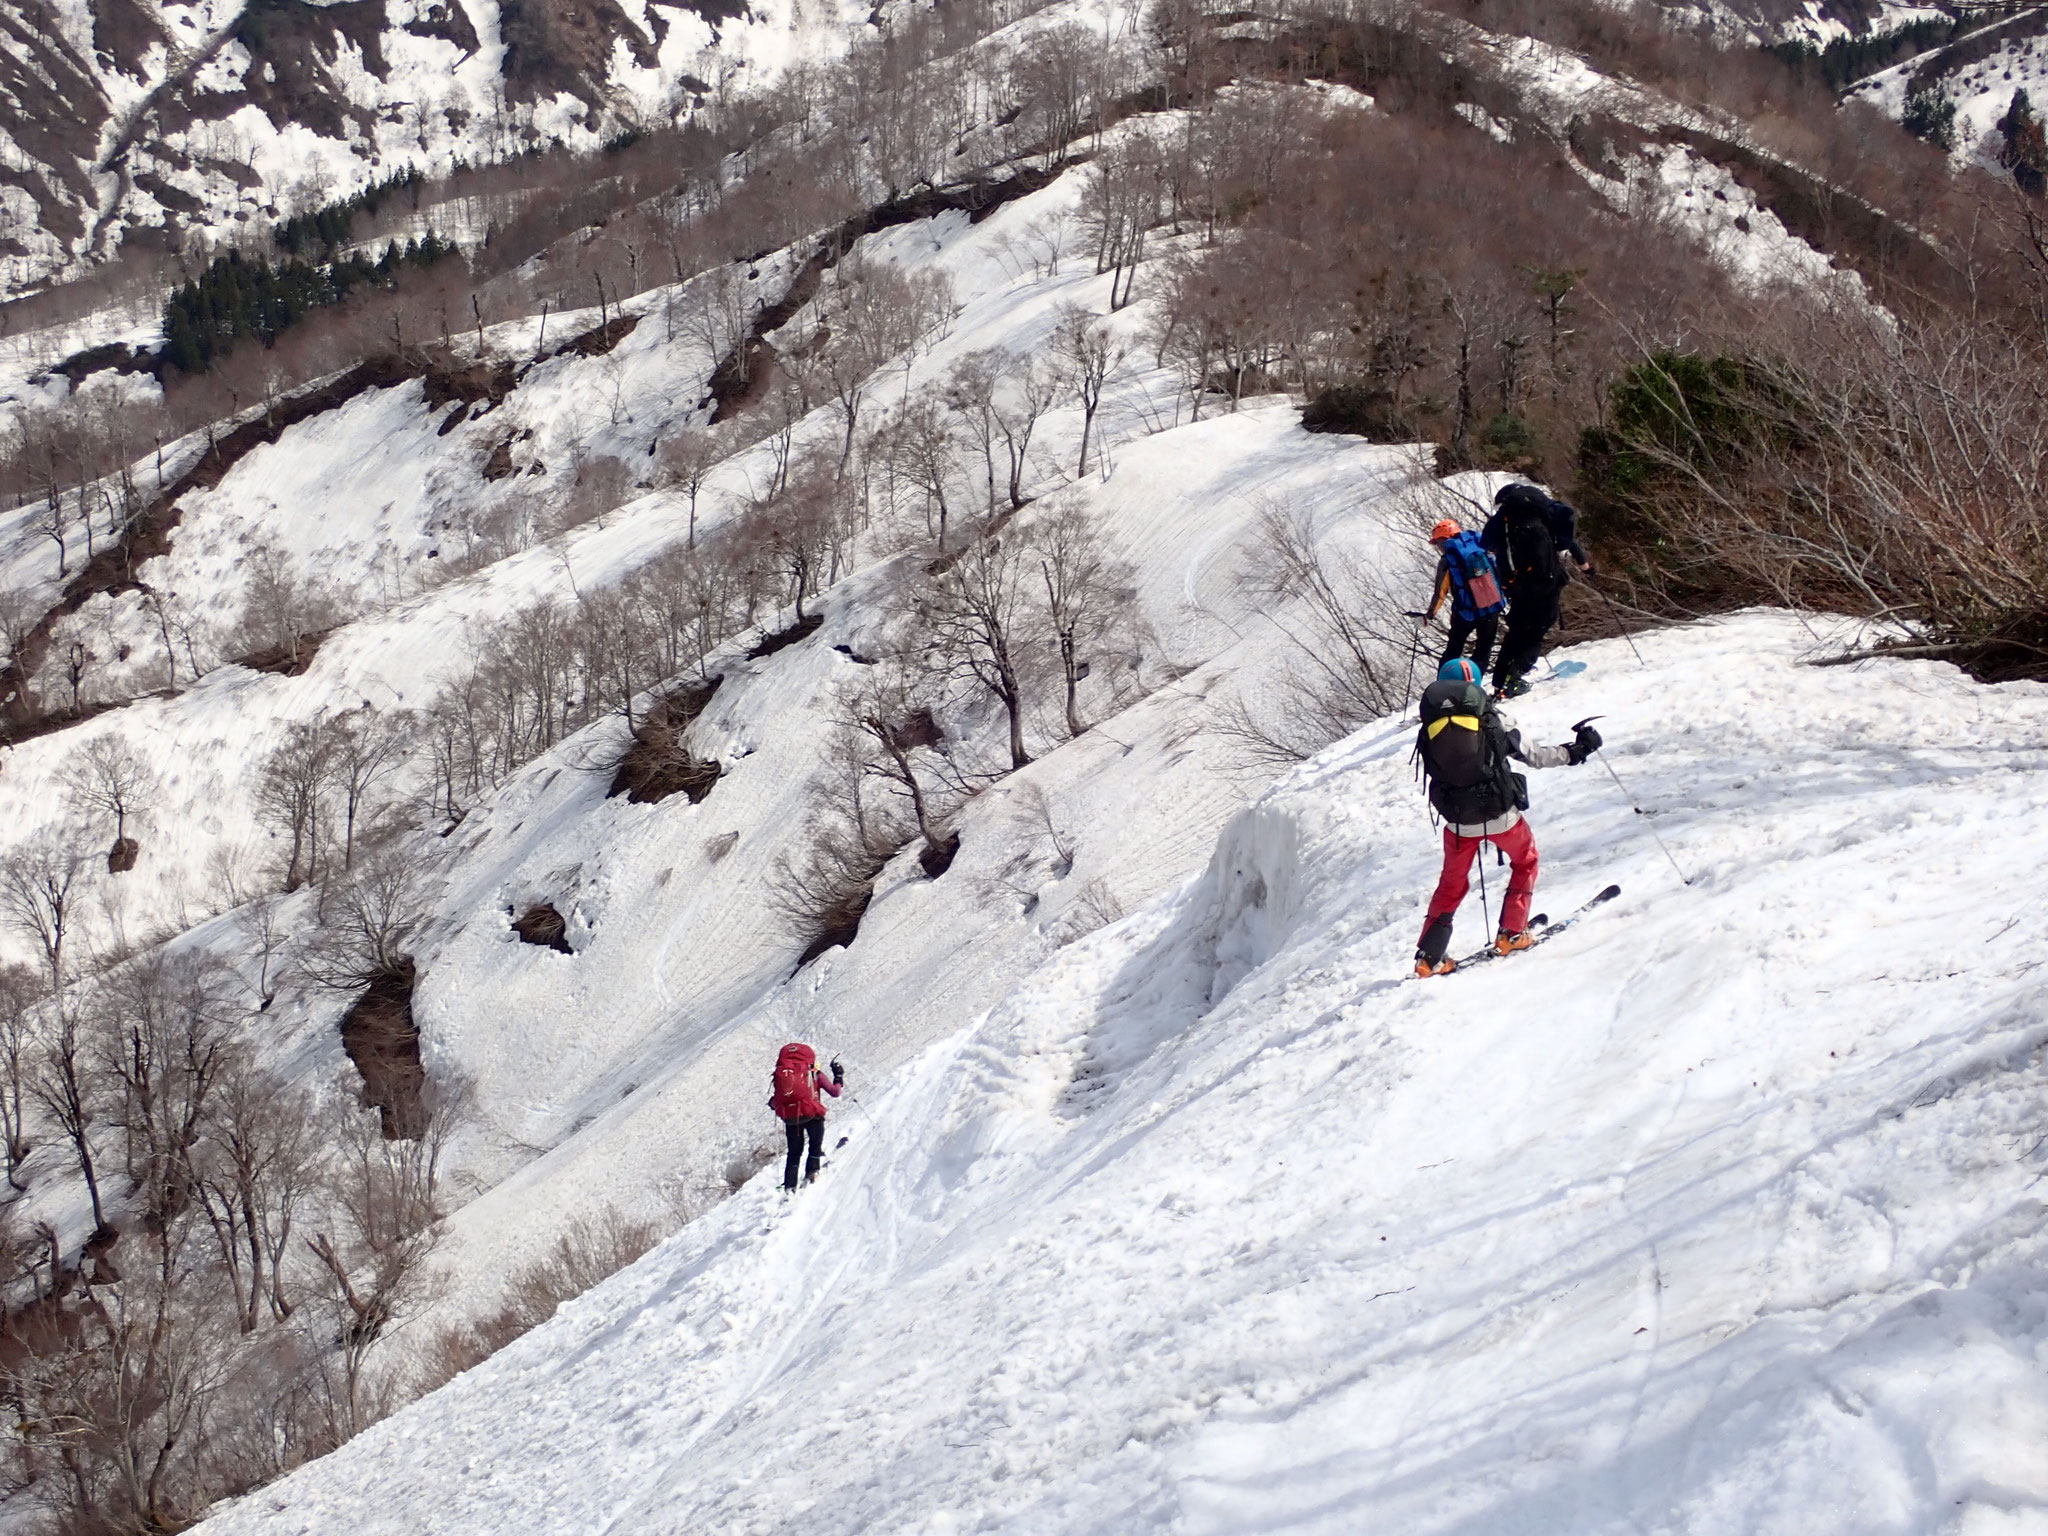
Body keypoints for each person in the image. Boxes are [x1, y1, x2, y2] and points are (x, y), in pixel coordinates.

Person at [1412, 657, 1601, 976]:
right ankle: (1512, 933)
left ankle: (1429, 957)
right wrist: (1576, 751)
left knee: (1451, 884)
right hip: (1502, 815)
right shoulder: (1495, 717)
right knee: (1525, 861)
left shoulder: (1431, 724)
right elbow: (1535, 756)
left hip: (1458, 822)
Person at [1481, 482, 1594, 698]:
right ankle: (1515, 674)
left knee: (1517, 629)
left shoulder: (1504, 523)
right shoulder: (1542, 516)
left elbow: (1488, 547)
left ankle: (1501, 679)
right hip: (1545, 582)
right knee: (1538, 628)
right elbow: (1569, 542)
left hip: (1516, 585)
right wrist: (1585, 566)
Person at [1423, 519, 1507, 680]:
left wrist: (1429, 615)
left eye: (1438, 543)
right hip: (1491, 608)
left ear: (1444, 540)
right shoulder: (1480, 546)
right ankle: (1474, 683)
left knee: (1454, 650)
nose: (1438, 547)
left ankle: (1444, 684)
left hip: (1465, 614)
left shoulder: (1448, 560)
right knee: (1483, 649)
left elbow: (1440, 593)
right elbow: (1498, 571)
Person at [769, 1042, 843, 1191]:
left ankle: (789, 1187)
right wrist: (838, 1076)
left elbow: (774, 1101)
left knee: (794, 1153)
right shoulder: (815, 1073)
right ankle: (812, 1172)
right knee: (815, 1146)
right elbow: (835, 1092)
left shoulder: (783, 1075)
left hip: (791, 1118)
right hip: (812, 1114)